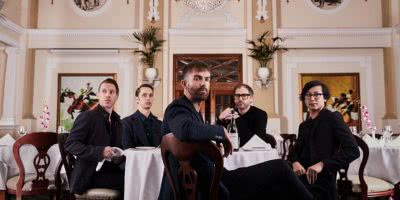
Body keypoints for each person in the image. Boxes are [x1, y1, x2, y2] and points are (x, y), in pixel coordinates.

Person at [158, 61, 314, 200]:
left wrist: (211, 144)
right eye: (197, 78)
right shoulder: (178, 108)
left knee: (283, 169)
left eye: (207, 79)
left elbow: (193, 142)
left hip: (213, 180)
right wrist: (219, 131)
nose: (204, 83)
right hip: (208, 187)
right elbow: (185, 130)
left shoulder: (193, 111)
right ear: (184, 83)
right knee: (280, 169)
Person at [288, 80, 360, 200]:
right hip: (301, 177)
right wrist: (295, 162)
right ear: (304, 99)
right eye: (308, 95)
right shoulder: (304, 125)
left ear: (325, 98)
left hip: (322, 180)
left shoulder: (333, 118)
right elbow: (294, 151)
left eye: (317, 94)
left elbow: (353, 150)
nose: (312, 98)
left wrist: (322, 164)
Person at [65, 78, 125, 196]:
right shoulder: (87, 117)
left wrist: (120, 154)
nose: (108, 95)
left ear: (117, 96)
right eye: (104, 91)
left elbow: (118, 148)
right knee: (130, 182)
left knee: (137, 177)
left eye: (111, 92)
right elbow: (70, 144)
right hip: (88, 174)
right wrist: (100, 152)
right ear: (98, 95)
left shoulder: (117, 121)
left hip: (109, 170)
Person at [122, 84, 162, 149]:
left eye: (150, 95)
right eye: (144, 95)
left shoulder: (160, 124)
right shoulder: (126, 123)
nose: (148, 98)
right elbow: (127, 151)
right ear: (137, 99)